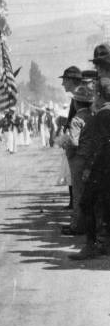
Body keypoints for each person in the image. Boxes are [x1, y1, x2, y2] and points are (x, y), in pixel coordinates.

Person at [69, 78, 110, 260]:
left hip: (102, 166)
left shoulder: (102, 114)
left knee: (87, 202)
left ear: (100, 95)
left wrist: (88, 169)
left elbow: (100, 145)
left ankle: (91, 245)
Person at [60, 84, 94, 236]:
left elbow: (74, 142)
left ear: (76, 103)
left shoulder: (76, 120)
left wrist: (65, 145)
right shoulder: (93, 116)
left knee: (78, 194)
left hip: (78, 159)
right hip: (91, 158)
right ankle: (86, 225)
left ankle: (77, 226)